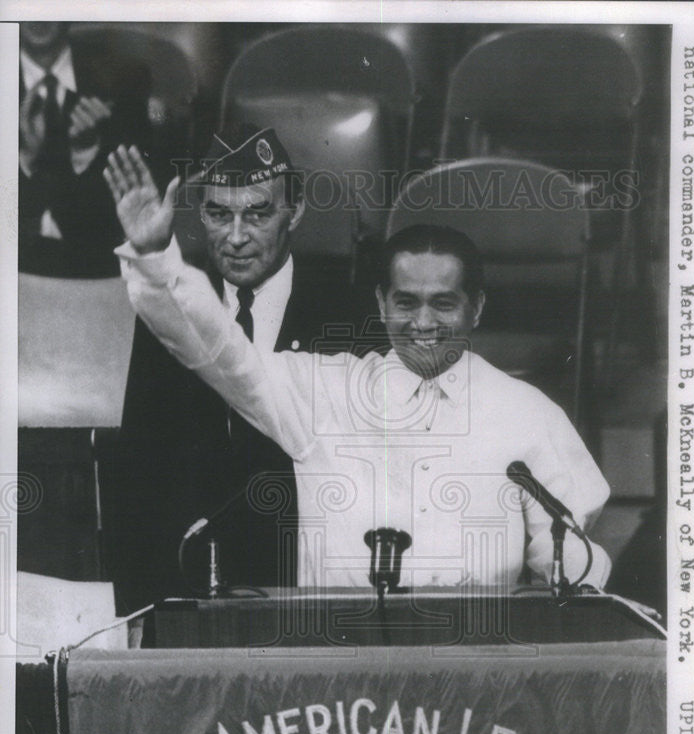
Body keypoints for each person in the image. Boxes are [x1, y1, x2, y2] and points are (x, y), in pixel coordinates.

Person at [106, 144, 611, 590]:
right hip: (331, 663)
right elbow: (217, 349)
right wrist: (156, 257)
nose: (423, 323)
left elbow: (571, 560)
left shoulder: (527, 413)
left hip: (474, 666)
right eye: (406, 302)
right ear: (380, 302)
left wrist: (568, 586)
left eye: (444, 303)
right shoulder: (323, 388)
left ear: (477, 308)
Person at [111, 124, 366, 613]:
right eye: (217, 214)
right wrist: (139, 613)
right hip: (192, 593)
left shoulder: (348, 317)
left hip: (308, 595)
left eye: (258, 213)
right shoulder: (168, 315)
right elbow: (140, 477)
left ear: (296, 211)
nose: (235, 237)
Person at [18, 21, 151, 277]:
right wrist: (26, 158)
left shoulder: (124, 78)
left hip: (96, 273)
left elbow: (130, 216)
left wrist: (86, 152)